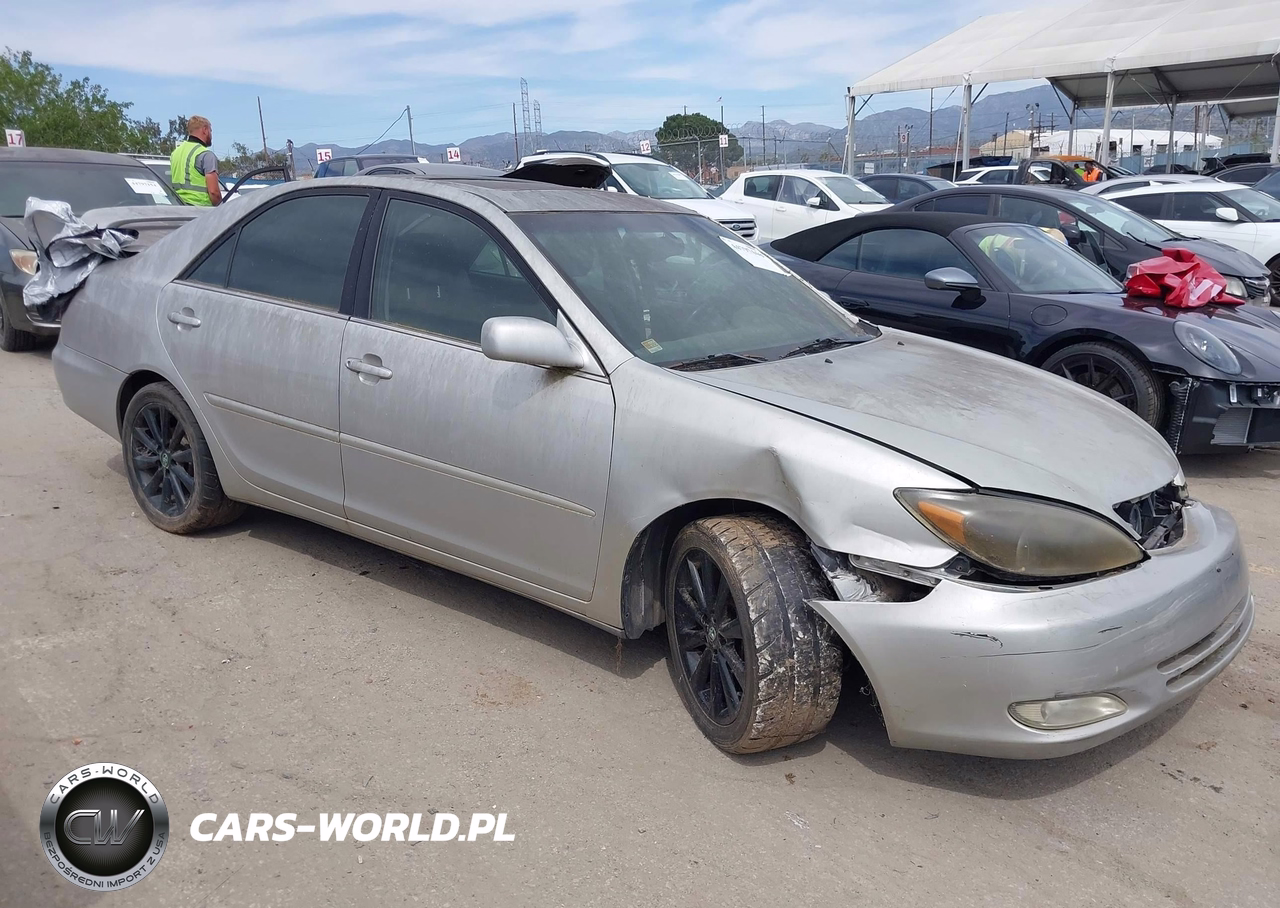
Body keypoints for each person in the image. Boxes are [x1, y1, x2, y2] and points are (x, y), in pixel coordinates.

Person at [169, 116, 222, 206]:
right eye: (210, 131)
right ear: (205, 130)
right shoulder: (205, 154)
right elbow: (214, 192)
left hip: (179, 208)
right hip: (201, 210)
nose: (211, 134)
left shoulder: (176, 153)